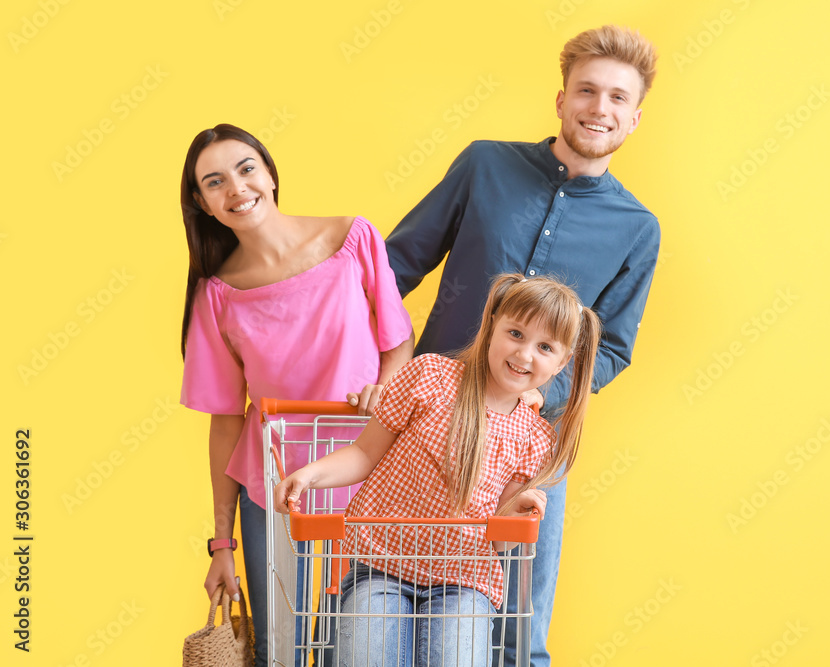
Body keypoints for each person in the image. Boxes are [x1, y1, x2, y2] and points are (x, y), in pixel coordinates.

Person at [383, 25, 660, 665]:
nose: (600, 107)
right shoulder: (485, 164)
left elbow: (610, 348)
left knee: (518, 631)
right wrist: (368, 360)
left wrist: (530, 395)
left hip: (533, 449)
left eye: (618, 98)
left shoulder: (637, 228)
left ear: (635, 118)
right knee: (382, 597)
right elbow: (395, 268)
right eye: (587, 90)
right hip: (426, 424)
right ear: (561, 99)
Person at [274, 273, 601, 666]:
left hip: (465, 580)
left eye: (544, 346)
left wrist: (514, 516)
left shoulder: (534, 437)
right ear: (492, 323)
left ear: (563, 361)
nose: (524, 354)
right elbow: (364, 453)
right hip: (380, 566)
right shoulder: (429, 376)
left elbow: (498, 539)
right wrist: (311, 474)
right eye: (515, 333)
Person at [178, 123, 414, 666]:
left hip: (368, 478)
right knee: (280, 648)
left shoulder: (353, 238)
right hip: (272, 489)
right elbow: (225, 421)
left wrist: (385, 387)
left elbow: (397, 344)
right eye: (215, 182)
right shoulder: (218, 295)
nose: (236, 189)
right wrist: (222, 544)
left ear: (270, 172)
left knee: (351, 648)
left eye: (245, 169)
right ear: (202, 203)